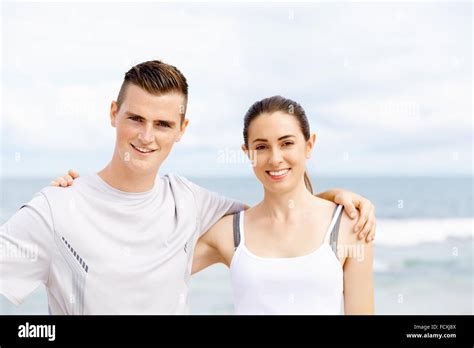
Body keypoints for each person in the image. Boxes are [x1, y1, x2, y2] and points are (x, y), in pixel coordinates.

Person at [0, 60, 376, 314]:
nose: (146, 136)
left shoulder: (191, 203)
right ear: (113, 113)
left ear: (182, 130)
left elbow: (280, 214)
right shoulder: (57, 209)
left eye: (163, 124)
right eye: (135, 118)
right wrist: (74, 199)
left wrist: (335, 199)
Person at [191, 96, 373, 314]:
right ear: (247, 152)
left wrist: (330, 197)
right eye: (261, 147)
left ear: (309, 145)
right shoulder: (228, 232)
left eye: (286, 143)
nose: (275, 158)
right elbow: (154, 272)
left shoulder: (349, 225)